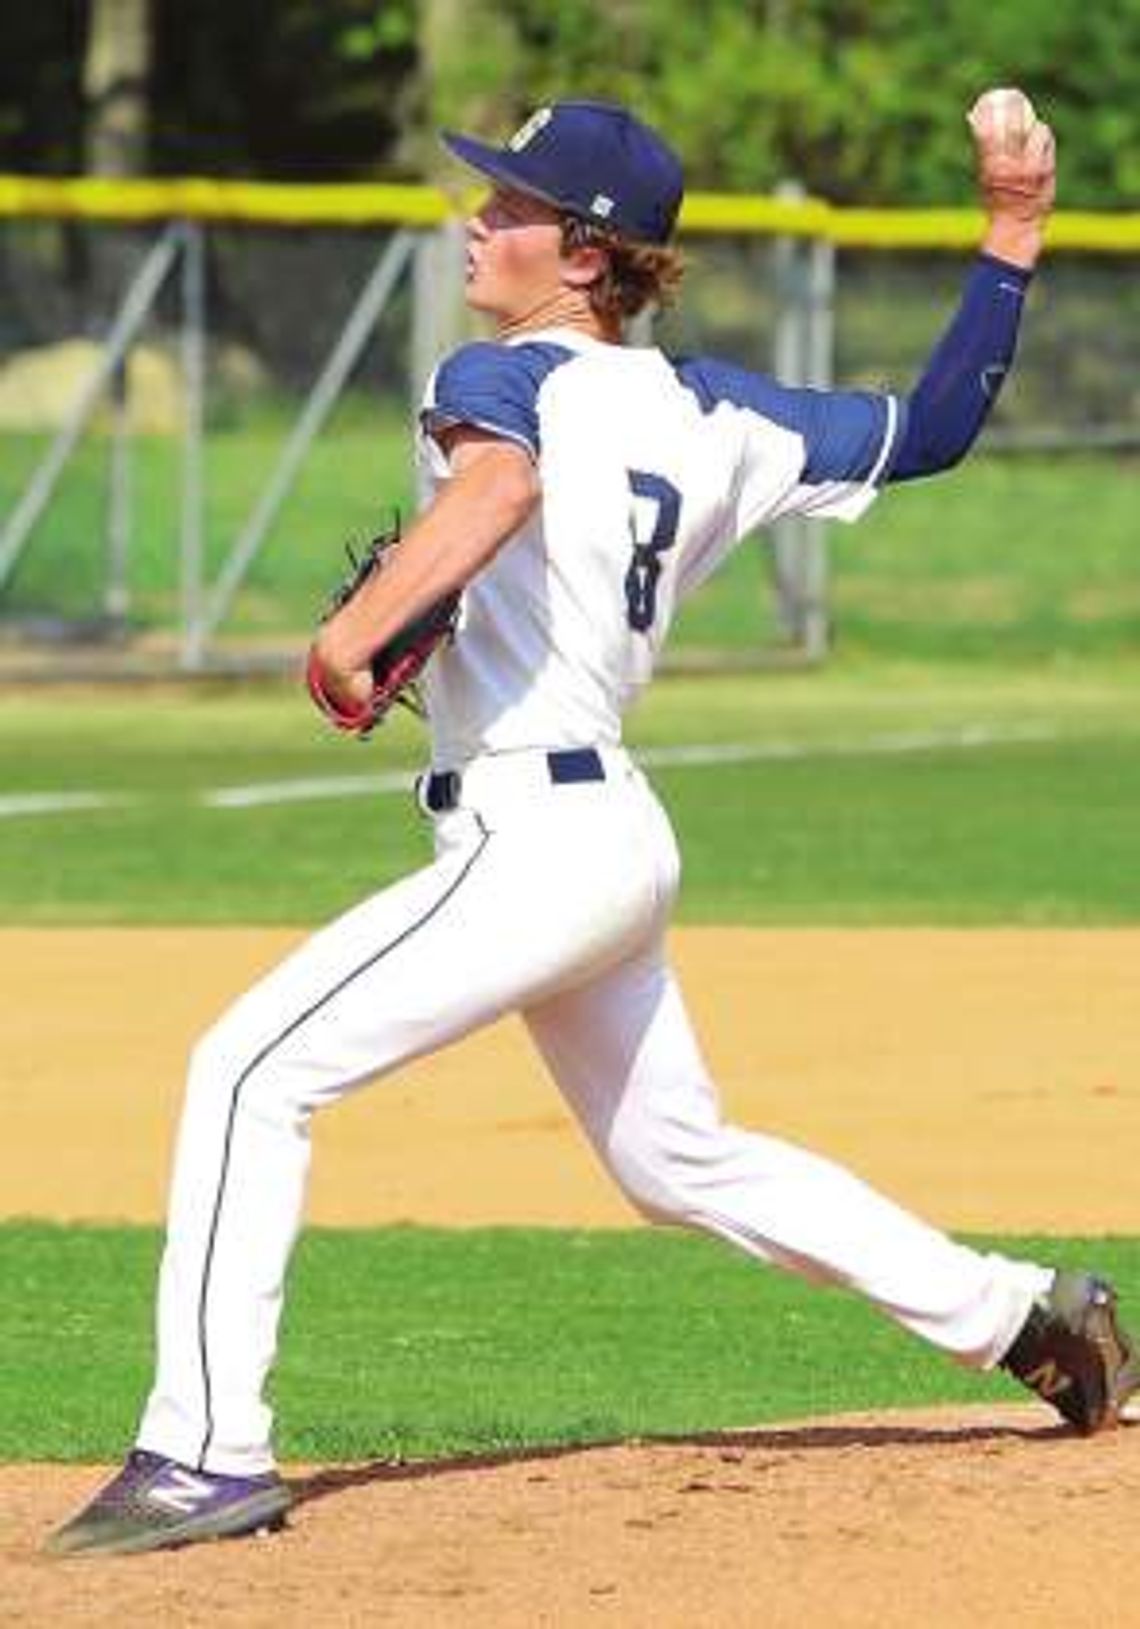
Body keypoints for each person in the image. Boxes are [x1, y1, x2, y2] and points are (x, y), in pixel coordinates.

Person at [49, 89, 1137, 1559]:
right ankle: (1022, 1311)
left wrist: (357, 630)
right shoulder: (722, 411)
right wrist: (1011, 232)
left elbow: (498, 483)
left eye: (510, 206)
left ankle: (201, 1454)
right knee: (680, 1159)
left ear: (585, 253)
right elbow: (934, 428)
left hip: (532, 841)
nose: (478, 221)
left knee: (247, 1068)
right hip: (610, 833)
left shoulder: (506, 378)